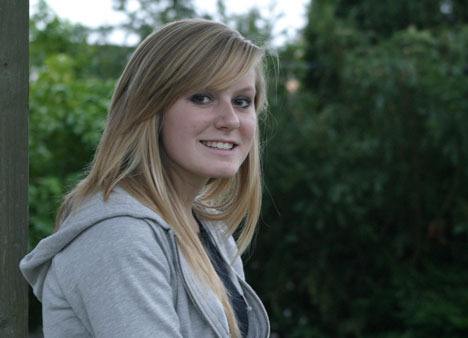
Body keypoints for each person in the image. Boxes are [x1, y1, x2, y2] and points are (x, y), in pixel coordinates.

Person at [20, 18, 270, 338]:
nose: (230, 120)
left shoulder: (211, 229)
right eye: (202, 97)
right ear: (150, 107)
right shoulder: (119, 236)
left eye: (242, 101)